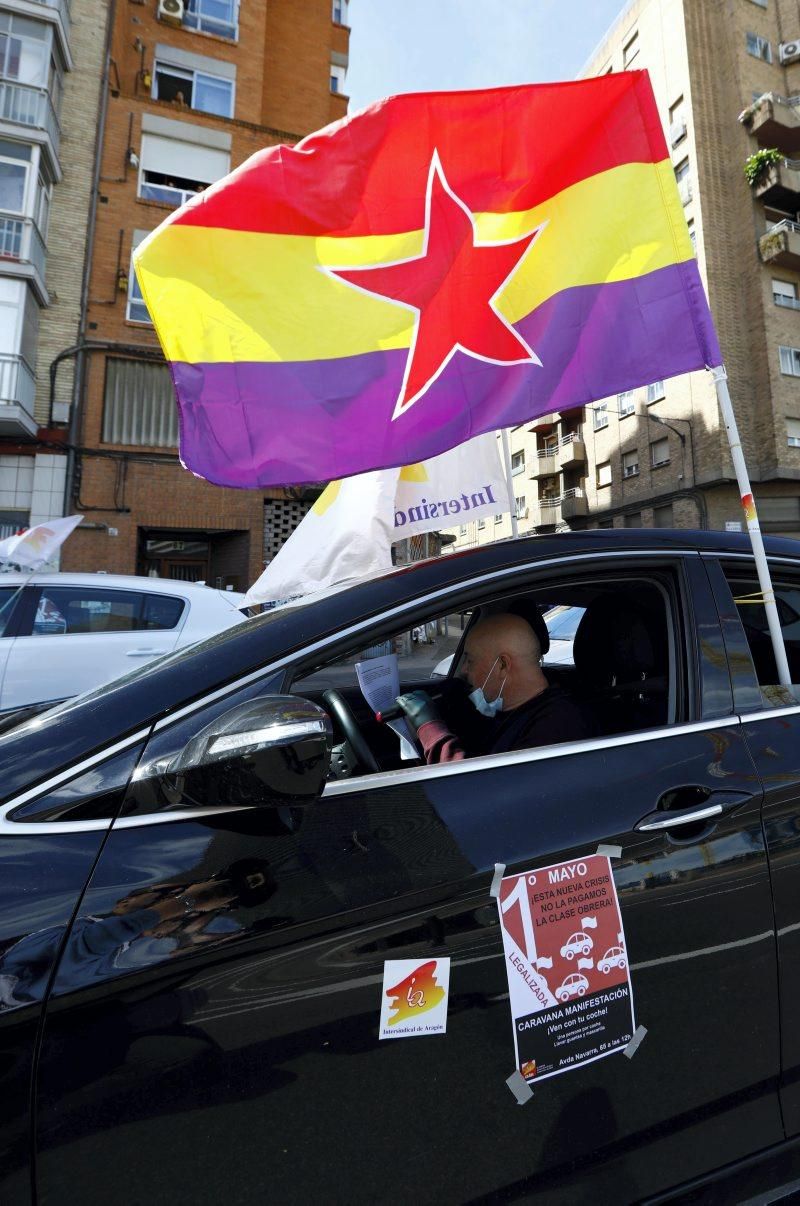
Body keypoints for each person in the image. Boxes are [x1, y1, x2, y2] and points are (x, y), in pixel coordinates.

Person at [395, 612, 590, 763]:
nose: (463, 670)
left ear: (502, 665)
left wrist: (431, 729)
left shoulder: (558, 725)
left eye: (470, 660)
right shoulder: (509, 710)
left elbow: (483, 790)